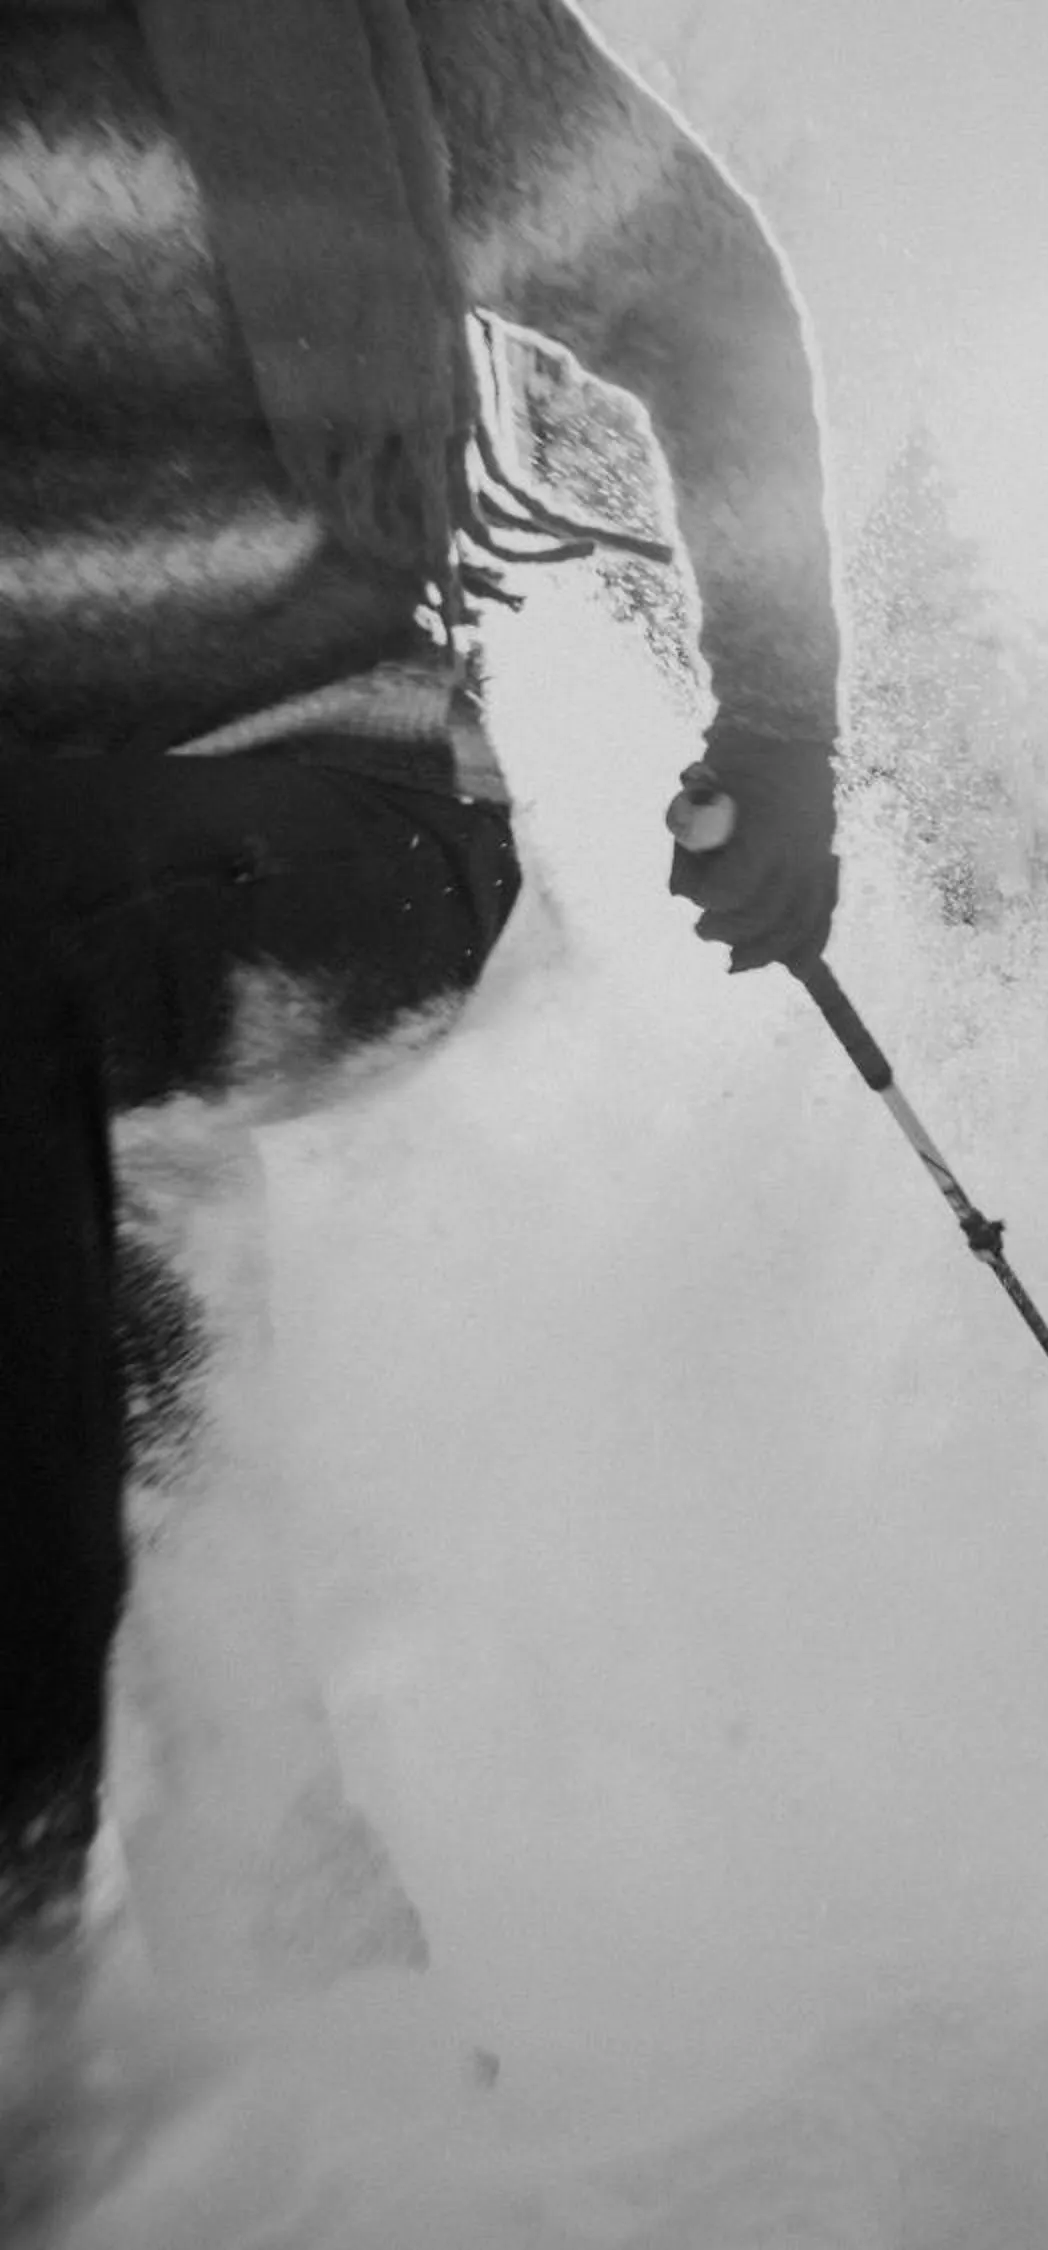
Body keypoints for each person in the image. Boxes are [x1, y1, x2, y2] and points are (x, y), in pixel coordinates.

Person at [0, 0, 844, 2006]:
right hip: (52, 893)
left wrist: (785, 729)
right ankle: (320, 2027)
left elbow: (706, 304)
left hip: (346, 821)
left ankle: (29, 1920)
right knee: (167, 1465)